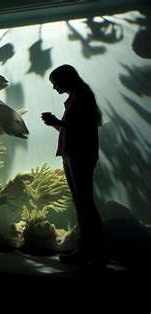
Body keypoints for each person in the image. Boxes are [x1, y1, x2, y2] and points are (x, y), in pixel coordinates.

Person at [41, 64, 108, 267]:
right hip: (72, 154)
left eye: (55, 83)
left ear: (66, 78)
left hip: (80, 155)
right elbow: (71, 130)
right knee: (82, 204)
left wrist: (58, 122)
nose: (54, 88)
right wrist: (55, 123)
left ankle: (96, 252)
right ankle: (86, 249)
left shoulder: (81, 95)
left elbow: (84, 126)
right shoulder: (76, 96)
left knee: (85, 204)